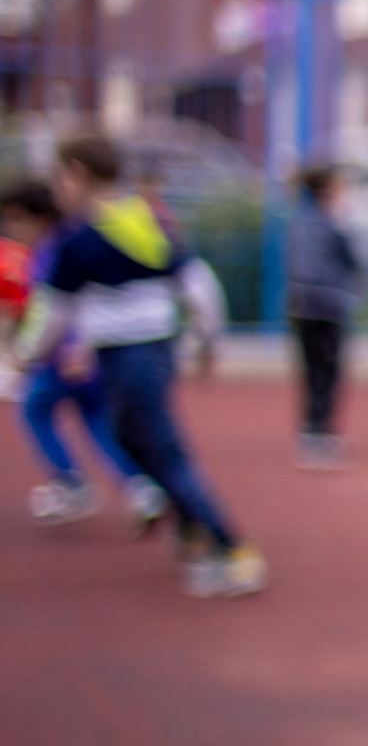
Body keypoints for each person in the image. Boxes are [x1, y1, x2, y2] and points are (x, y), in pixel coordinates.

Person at [18, 137, 263, 597]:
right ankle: (194, 528)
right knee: (137, 441)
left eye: (59, 177)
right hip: (150, 351)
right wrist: (207, 338)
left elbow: (53, 313)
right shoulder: (144, 218)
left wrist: (26, 354)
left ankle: (231, 550)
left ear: (76, 172)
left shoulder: (80, 236)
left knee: (161, 450)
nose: (57, 189)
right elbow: (194, 285)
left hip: (132, 359)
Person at [1, 176, 163, 527]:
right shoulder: (71, 239)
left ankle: (70, 482)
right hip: (90, 352)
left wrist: (34, 351)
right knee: (99, 420)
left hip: (66, 354)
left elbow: (60, 307)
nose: (12, 231)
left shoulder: (53, 250)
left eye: (13, 221)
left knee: (35, 409)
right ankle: (141, 486)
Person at [285, 162, 362, 469]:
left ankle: (311, 431)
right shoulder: (333, 223)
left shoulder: (299, 222)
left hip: (302, 306)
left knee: (310, 370)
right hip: (327, 307)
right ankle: (321, 432)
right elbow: (354, 260)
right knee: (327, 371)